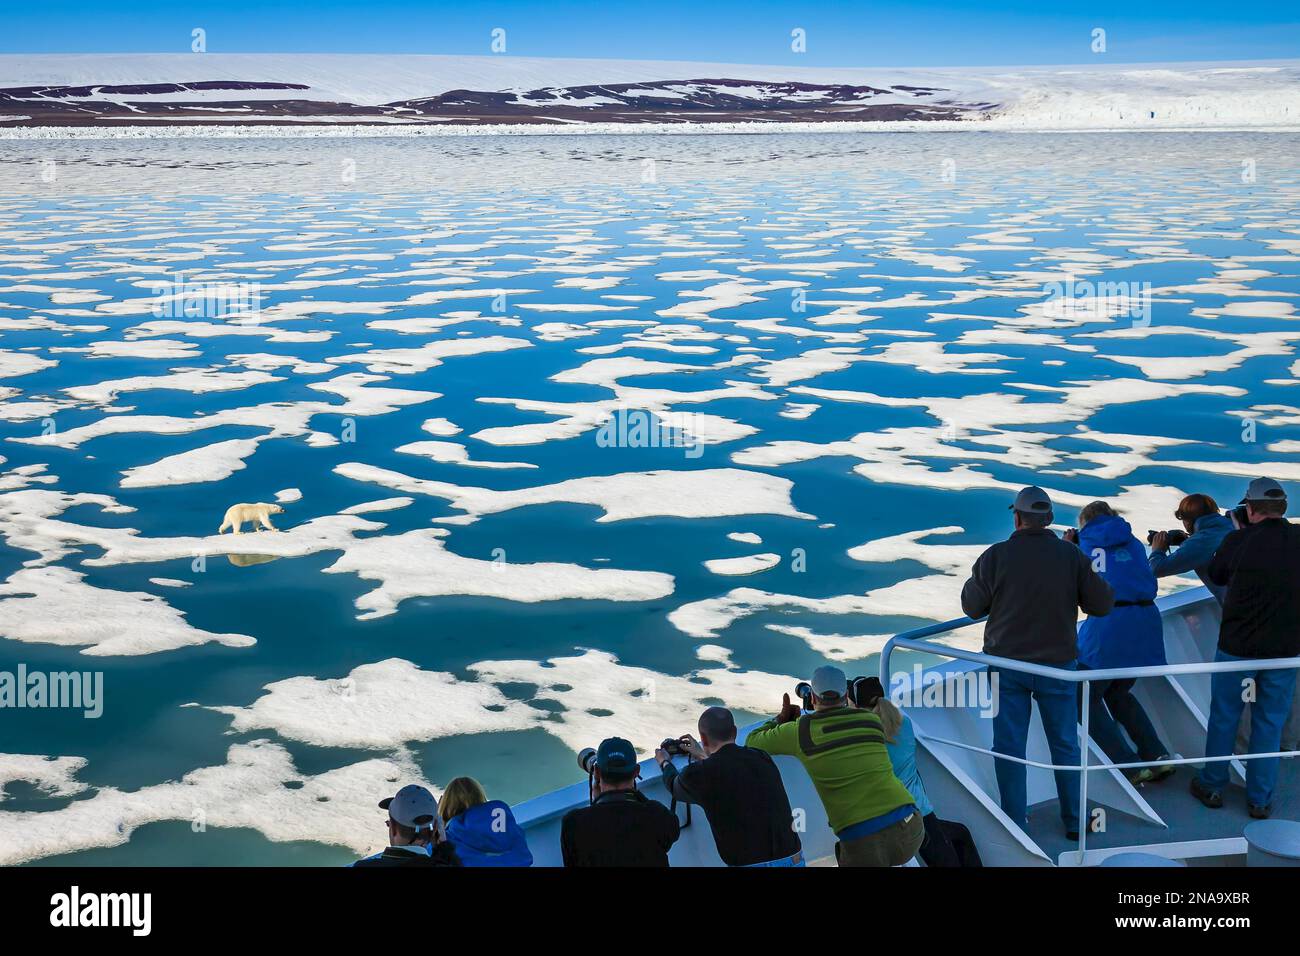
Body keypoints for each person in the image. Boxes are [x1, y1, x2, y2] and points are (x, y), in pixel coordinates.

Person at [960, 485, 1114, 839]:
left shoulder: (995, 556)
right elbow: (1101, 604)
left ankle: (1015, 823)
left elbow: (971, 607)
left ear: (1017, 518)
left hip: (1008, 667)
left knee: (1009, 746)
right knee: (1064, 744)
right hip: (1056, 666)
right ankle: (1075, 821)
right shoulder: (1071, 556)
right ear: (1048, 520)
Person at [1191, 478, 1300, 818]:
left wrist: (1237, 534)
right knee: (1269, 723)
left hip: (1238, 650)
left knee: (1225, 717)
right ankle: (1260, 799)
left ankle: (1212, 786)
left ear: (1250, 509)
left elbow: (1219, 575)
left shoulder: (1237, 540)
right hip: (1285, 650)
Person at [746, 665, 923, 867]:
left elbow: (753, 741)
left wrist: (781, 719)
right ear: (846, 695)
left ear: (812, 698)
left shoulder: (800, 732)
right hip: (911, 828)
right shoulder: (871, 720)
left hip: (865, 844)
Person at [1065, 501, 1176, 785]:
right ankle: (1157, 755)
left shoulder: (1083, 545)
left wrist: (1067, 547)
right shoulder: (1135, 543)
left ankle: (1128, 765)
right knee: (1118, 692)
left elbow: (1075, 581)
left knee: (1082, 696)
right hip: (1145, 623)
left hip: (1109, 625)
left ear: (1084, 523)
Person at [655, 706, 803, 867]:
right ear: (735, 731)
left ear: (703, 739)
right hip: (794, 857)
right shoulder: (761, 757)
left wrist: (665, 762)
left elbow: (674, 785)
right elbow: (732, 771)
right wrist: (704, 757)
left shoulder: (701, 774)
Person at [855, 678, 965, 867]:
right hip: (920, 811)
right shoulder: (904, 724)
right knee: (959, 837)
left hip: (892, 820)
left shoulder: (861, 735)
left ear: (857, 706)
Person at [560, 736, 680, 866]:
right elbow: (672, 832)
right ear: (636, 772)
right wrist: (635, 796)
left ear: (597, 773)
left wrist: (598, 801)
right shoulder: (658, 815)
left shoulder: (573, 823)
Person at [1148, 493, 1235, 604]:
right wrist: (1186, 541)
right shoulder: (1232, 524)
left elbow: (1156, 569)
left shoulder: (1201, 541)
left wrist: (1158, 550)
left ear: (1188, 521)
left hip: (1239, 606)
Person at [352, 784, 462, 867]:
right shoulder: (449, 863)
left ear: (393, 828)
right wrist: (443, 847)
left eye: (388, 824)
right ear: (436, 831)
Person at [438, 776, 533, 867]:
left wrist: (439, 824)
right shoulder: (509, 828)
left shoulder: (447, 839)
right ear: (480, 797)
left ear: (447, 805)